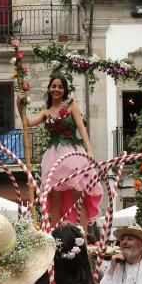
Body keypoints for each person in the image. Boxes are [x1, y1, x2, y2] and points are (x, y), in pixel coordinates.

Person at [18, 76, 98, 229]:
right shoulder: (45, 112)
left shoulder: (71, 105)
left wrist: (89, 149)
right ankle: (55, 238)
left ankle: (82, 237)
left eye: (60, 86)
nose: (56, 89)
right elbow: (27, 123)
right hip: (53, 157)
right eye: (54, 86)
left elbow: (81, 128)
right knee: (55, 198)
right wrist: (18, 102)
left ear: (64, 90)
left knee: (77, 195)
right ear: (49, 88)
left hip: (73, 154)